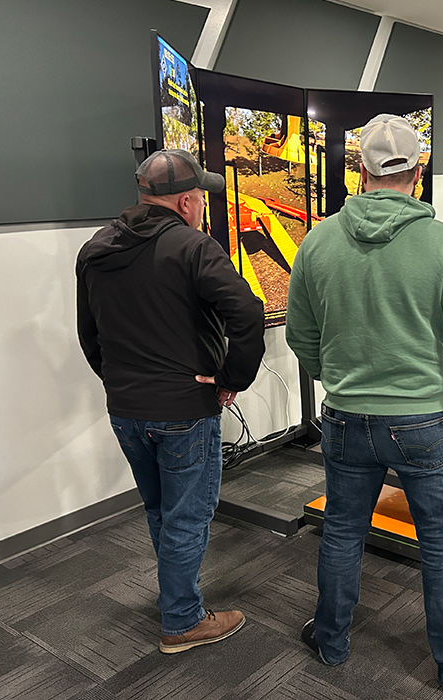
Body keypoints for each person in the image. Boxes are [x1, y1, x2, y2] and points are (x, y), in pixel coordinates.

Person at [286, 114, 443, 696]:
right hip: (424, 420)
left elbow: (300, 335)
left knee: (340, 532)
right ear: (419, 172)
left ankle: (330, 641)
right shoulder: (441, 243)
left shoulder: (317, 240)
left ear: (360, 170)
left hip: (345, 418)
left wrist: (335, 378)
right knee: (441, 545)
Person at [77, 149, 266, 653]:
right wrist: (232, 379)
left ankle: (176, 598)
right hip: (183, 408)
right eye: (201, 196)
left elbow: (89, 334)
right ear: (186, 201)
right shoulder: (194, 247)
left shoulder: (95, 248)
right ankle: (182, 620)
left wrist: (121, 383)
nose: (202, 204)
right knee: (187, 515)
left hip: (126, 410)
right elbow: (247, 314)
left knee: (161, 510)